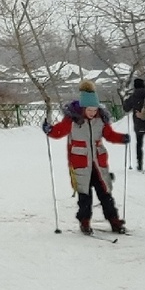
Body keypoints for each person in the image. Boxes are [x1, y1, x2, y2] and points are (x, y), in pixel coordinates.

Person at [44, 82, 128, 237]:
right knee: (85, 196)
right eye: (89, 110)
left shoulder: (101, 119)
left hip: (98, 164)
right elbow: (58, 132)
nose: (92, 112)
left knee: (105, 194)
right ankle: (85, 222)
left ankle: (114, 220)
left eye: (95, 109)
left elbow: (109, 134)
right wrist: (49, 130)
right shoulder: (72, 120)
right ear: (83, 108)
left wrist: (121, 138)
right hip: (80, 163)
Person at [123, 75, 145, 170]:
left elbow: (126, 108)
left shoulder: (133, 97)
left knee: (139, 144)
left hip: (138, 124)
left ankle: (139, 164)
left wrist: (125, 101)